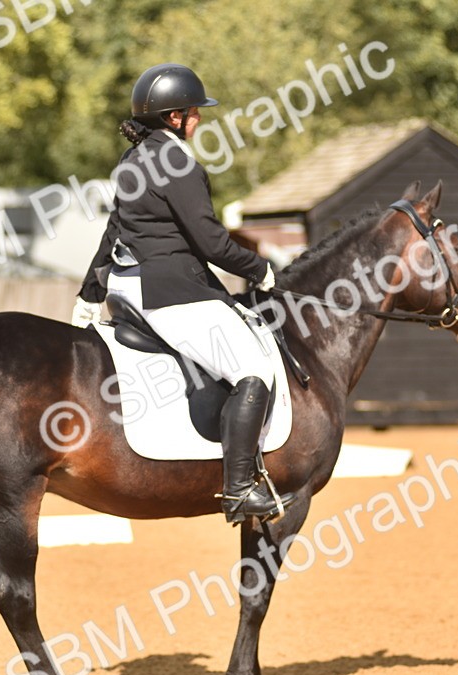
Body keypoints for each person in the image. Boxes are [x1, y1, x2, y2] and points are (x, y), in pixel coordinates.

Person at [72, 63, 296, 523]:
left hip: (127, 289)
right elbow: (211, 242)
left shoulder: (132, 160)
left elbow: (114, 230)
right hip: (170, 292)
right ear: (174, 117)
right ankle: (238, 490)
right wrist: (260, 269)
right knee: (254, 370)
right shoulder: (179, 164)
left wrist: (91, 291)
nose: (200, 118)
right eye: (194, 112)